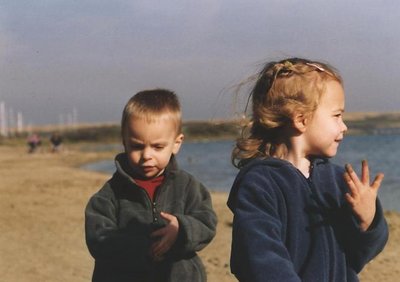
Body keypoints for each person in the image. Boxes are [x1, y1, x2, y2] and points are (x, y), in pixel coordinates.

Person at [227, 58, 388, 281]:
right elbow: (258, 258)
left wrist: (368, 221)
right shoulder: (259, 183)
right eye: (337, 115)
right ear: (301, 119)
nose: (344, 126)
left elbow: (358, 256)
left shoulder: (337, 180)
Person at [85, 89, 217, 282]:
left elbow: (207, 222)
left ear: (176, 143)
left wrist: (182, 229)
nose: (147, 155)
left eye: (157, 147)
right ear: (125, 141)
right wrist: (141, 244)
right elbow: (98, 238)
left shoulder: (188, 186)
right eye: (137, 146)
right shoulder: (110, 193)